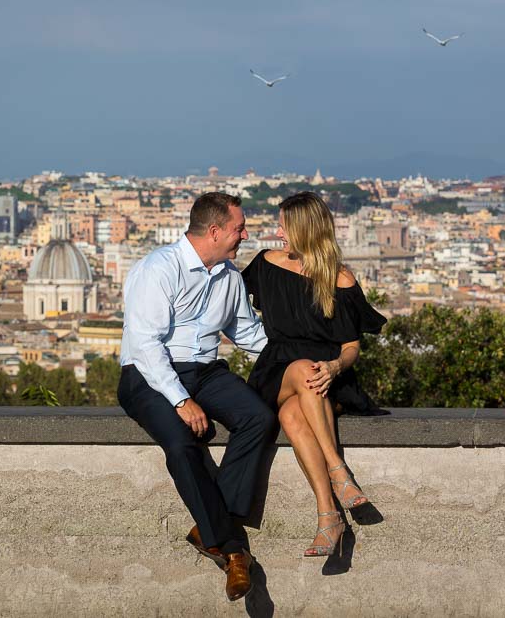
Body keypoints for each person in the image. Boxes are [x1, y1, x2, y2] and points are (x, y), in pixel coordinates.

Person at [117, 192, 274, 602]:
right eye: (239, 228)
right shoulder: (159, 269)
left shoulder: (229, 277)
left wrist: (297, 363)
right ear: (216, 230)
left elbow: (250, 337)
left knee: (259, 417)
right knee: (182, 444)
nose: (245, 235)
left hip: (206, 372)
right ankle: (233, 549)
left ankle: (208, 529)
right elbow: (146, 344)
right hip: (149, 376)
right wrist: (181, 401)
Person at [241, 191, 386, 558]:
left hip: (325, 377)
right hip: (277, 369)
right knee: (306, 372)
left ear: (305, 229)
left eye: (284, 224)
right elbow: (227, 301)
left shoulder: (340, 280)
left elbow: (351, 346)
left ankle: (328, 517)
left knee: (292, 414)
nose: (277, 231)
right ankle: (339, 471)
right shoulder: (266, 264)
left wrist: (336, 366)